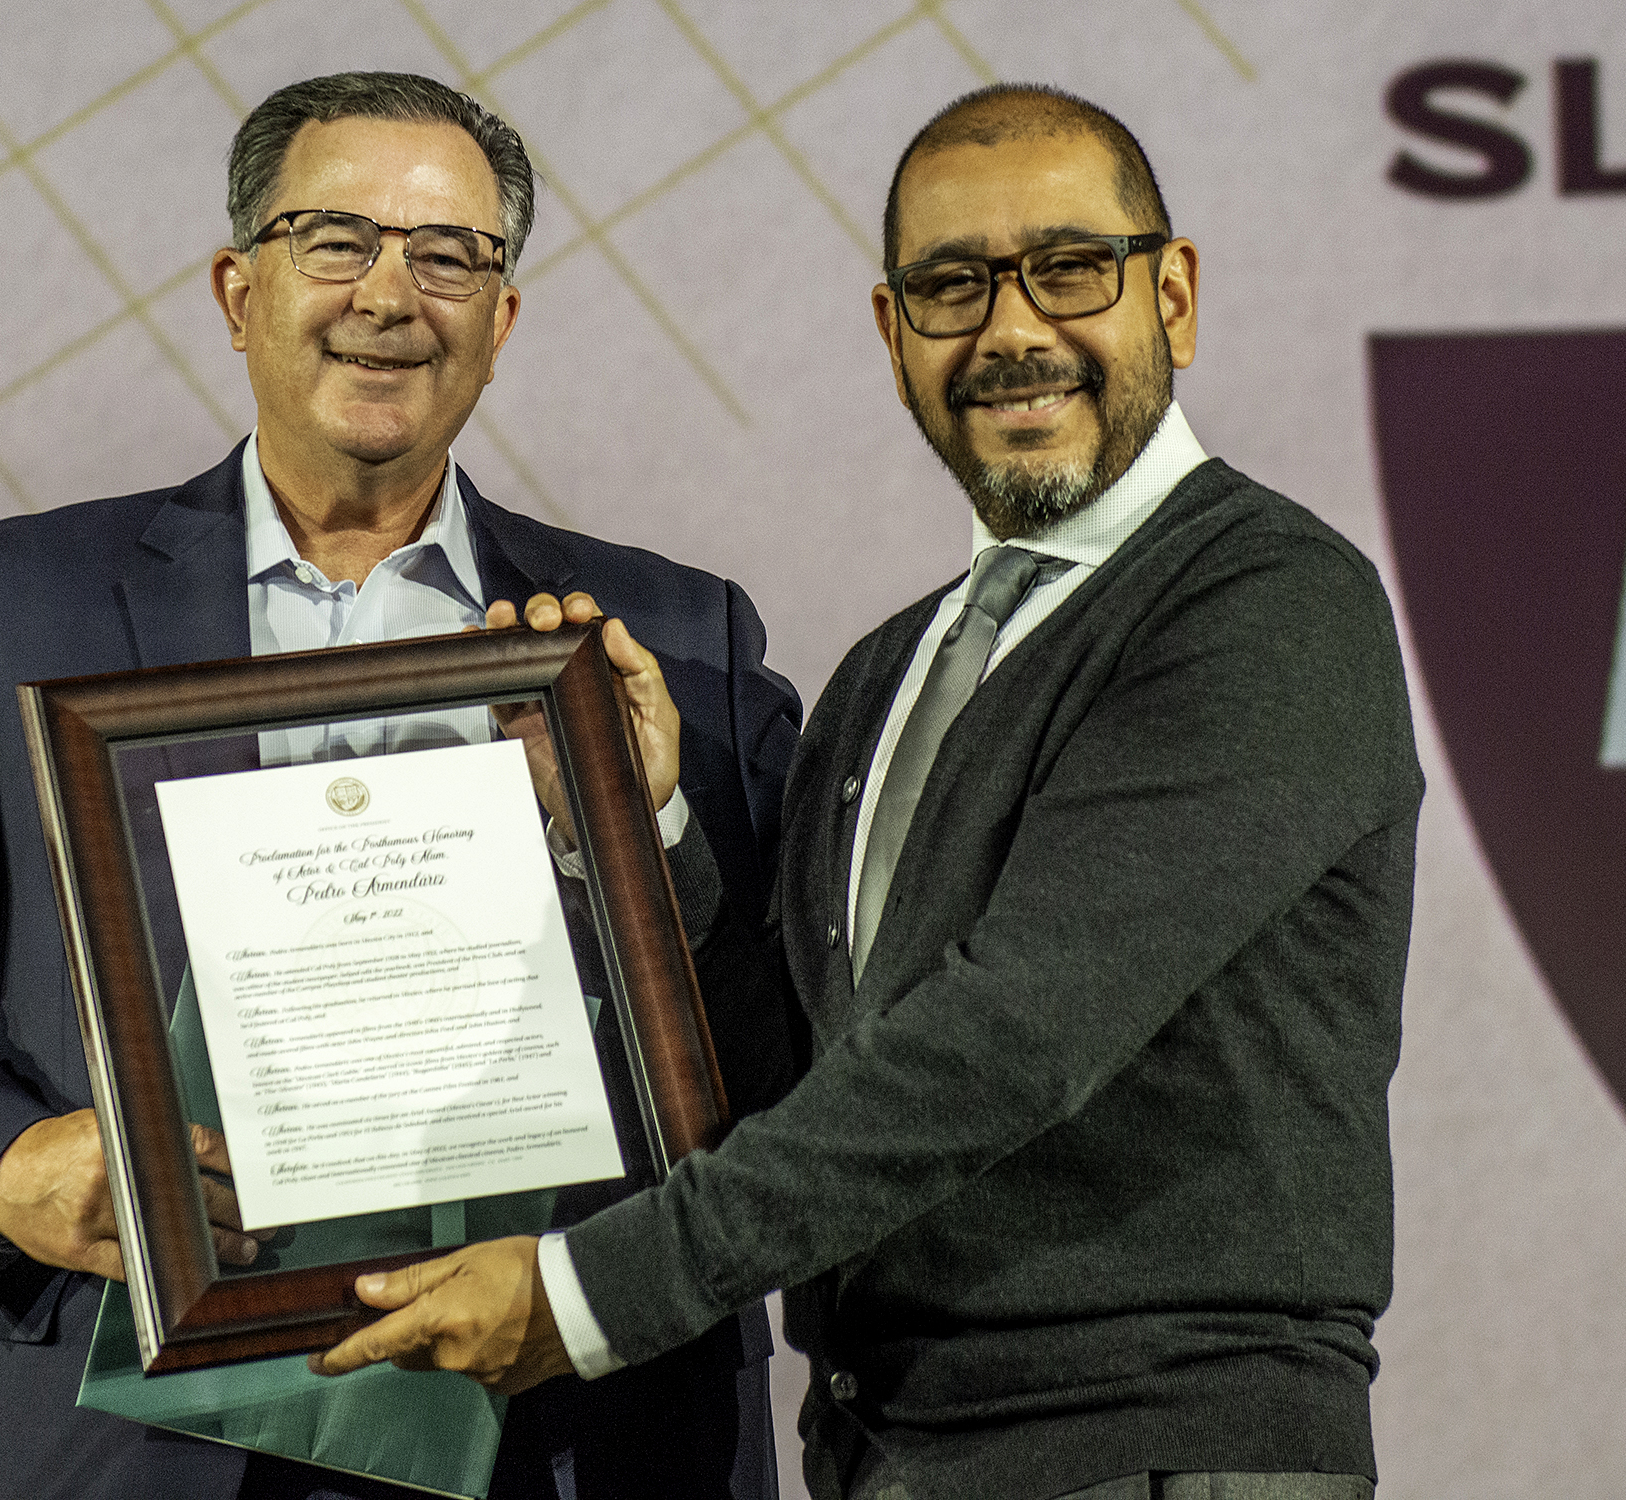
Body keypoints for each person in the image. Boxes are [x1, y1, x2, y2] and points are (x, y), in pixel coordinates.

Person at [313, 83, 1425, 1500]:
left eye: (1070, 269)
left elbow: (1009, 1039)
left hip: (1158, 1450)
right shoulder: (883, 677)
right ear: (894, 335)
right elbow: (803, 1076)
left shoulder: (1268, 605)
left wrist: (586, 1294)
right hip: (885, 1451)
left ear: (1176, 297)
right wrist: (639, 824)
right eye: (953, 286)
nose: (1015, 331)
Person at [0, 72, 801, 1500]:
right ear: (237, 287)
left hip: (557, 1440)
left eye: (449, 256)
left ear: (502, 319)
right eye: (335, 240)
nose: (390, 293)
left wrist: (651, 825)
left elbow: (793, 1055)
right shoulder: (16, 600)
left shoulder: (668, 641)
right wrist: (5, 1170)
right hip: (111, 1438)